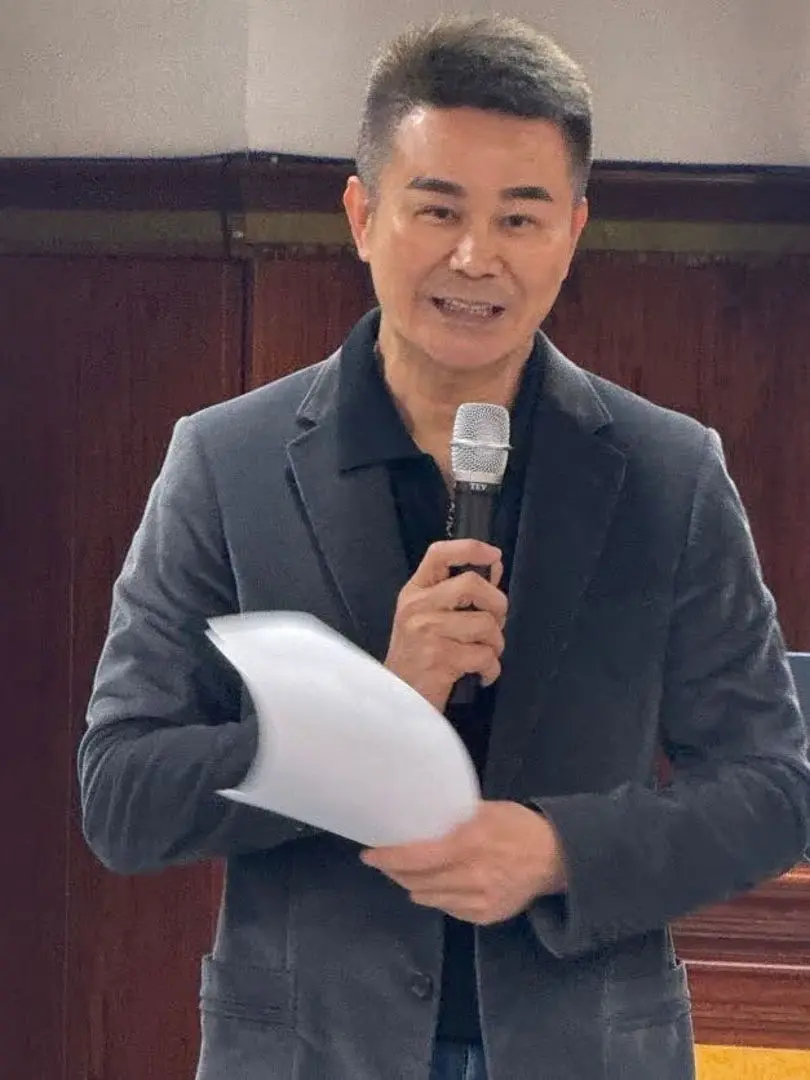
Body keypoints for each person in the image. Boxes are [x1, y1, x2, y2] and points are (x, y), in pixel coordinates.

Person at [78, 15, 810, 1080]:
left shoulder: (669, 472)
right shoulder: (227, 461)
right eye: (438, 209)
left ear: (572, 231)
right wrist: (373, 706)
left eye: (520, 217)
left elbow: (774, 791)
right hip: (311, 1052)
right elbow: (122, 794)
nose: (476, 257)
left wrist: (559, 851)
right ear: (363, 215)